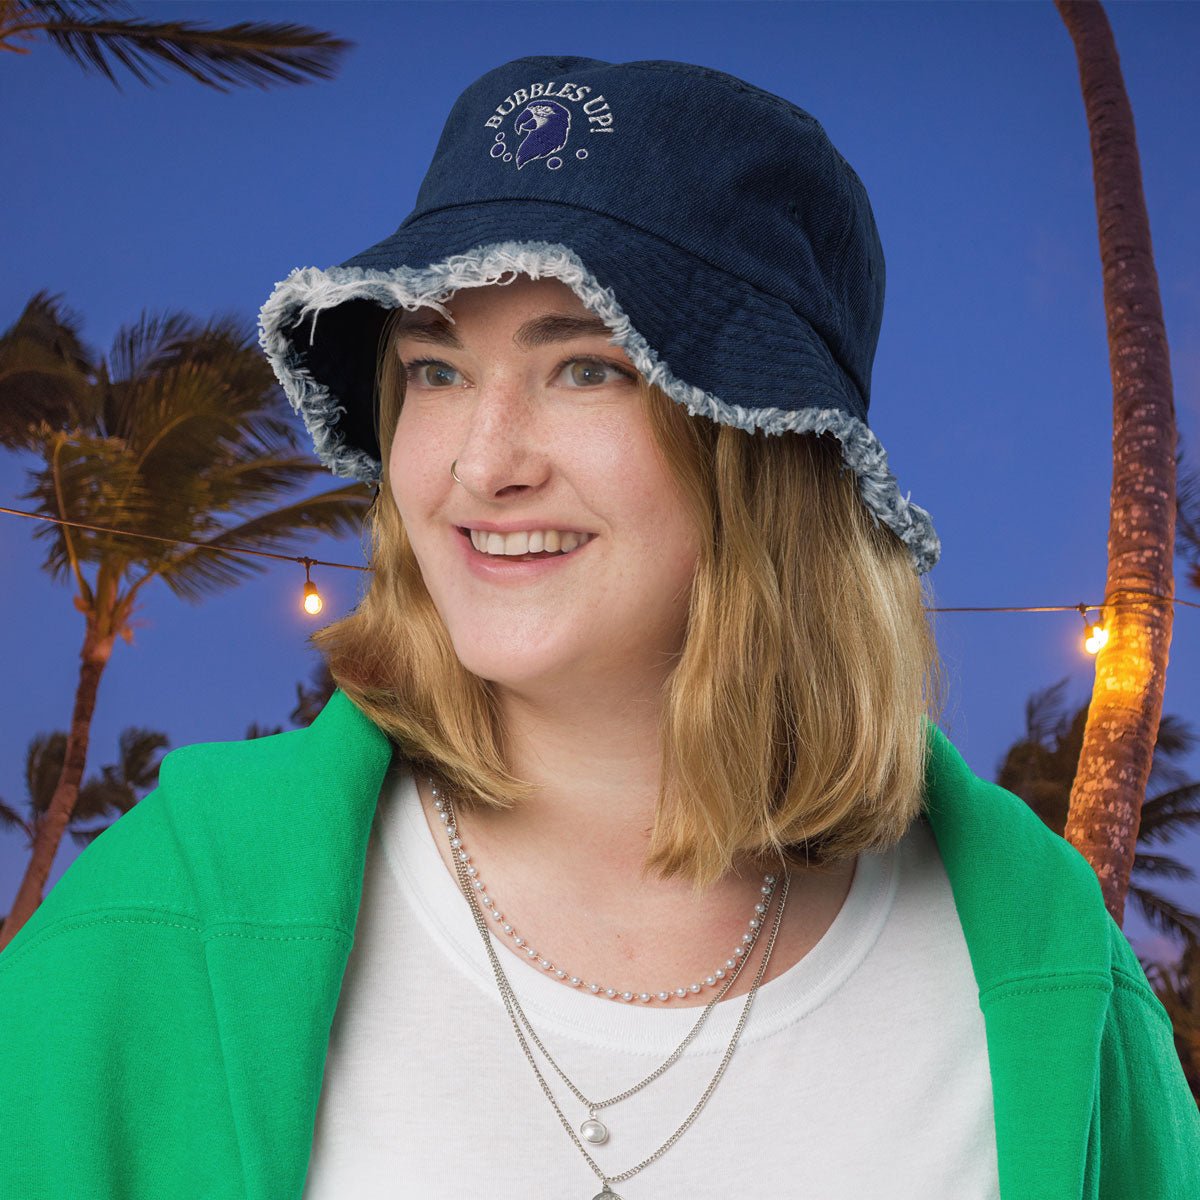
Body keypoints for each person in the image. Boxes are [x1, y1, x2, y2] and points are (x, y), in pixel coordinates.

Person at [2, 55, 1196, 1200]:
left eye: (586, 369)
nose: (482, 463)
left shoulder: (1043, 977)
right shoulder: (167, 921)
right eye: (435, 369)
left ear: (769, 443)